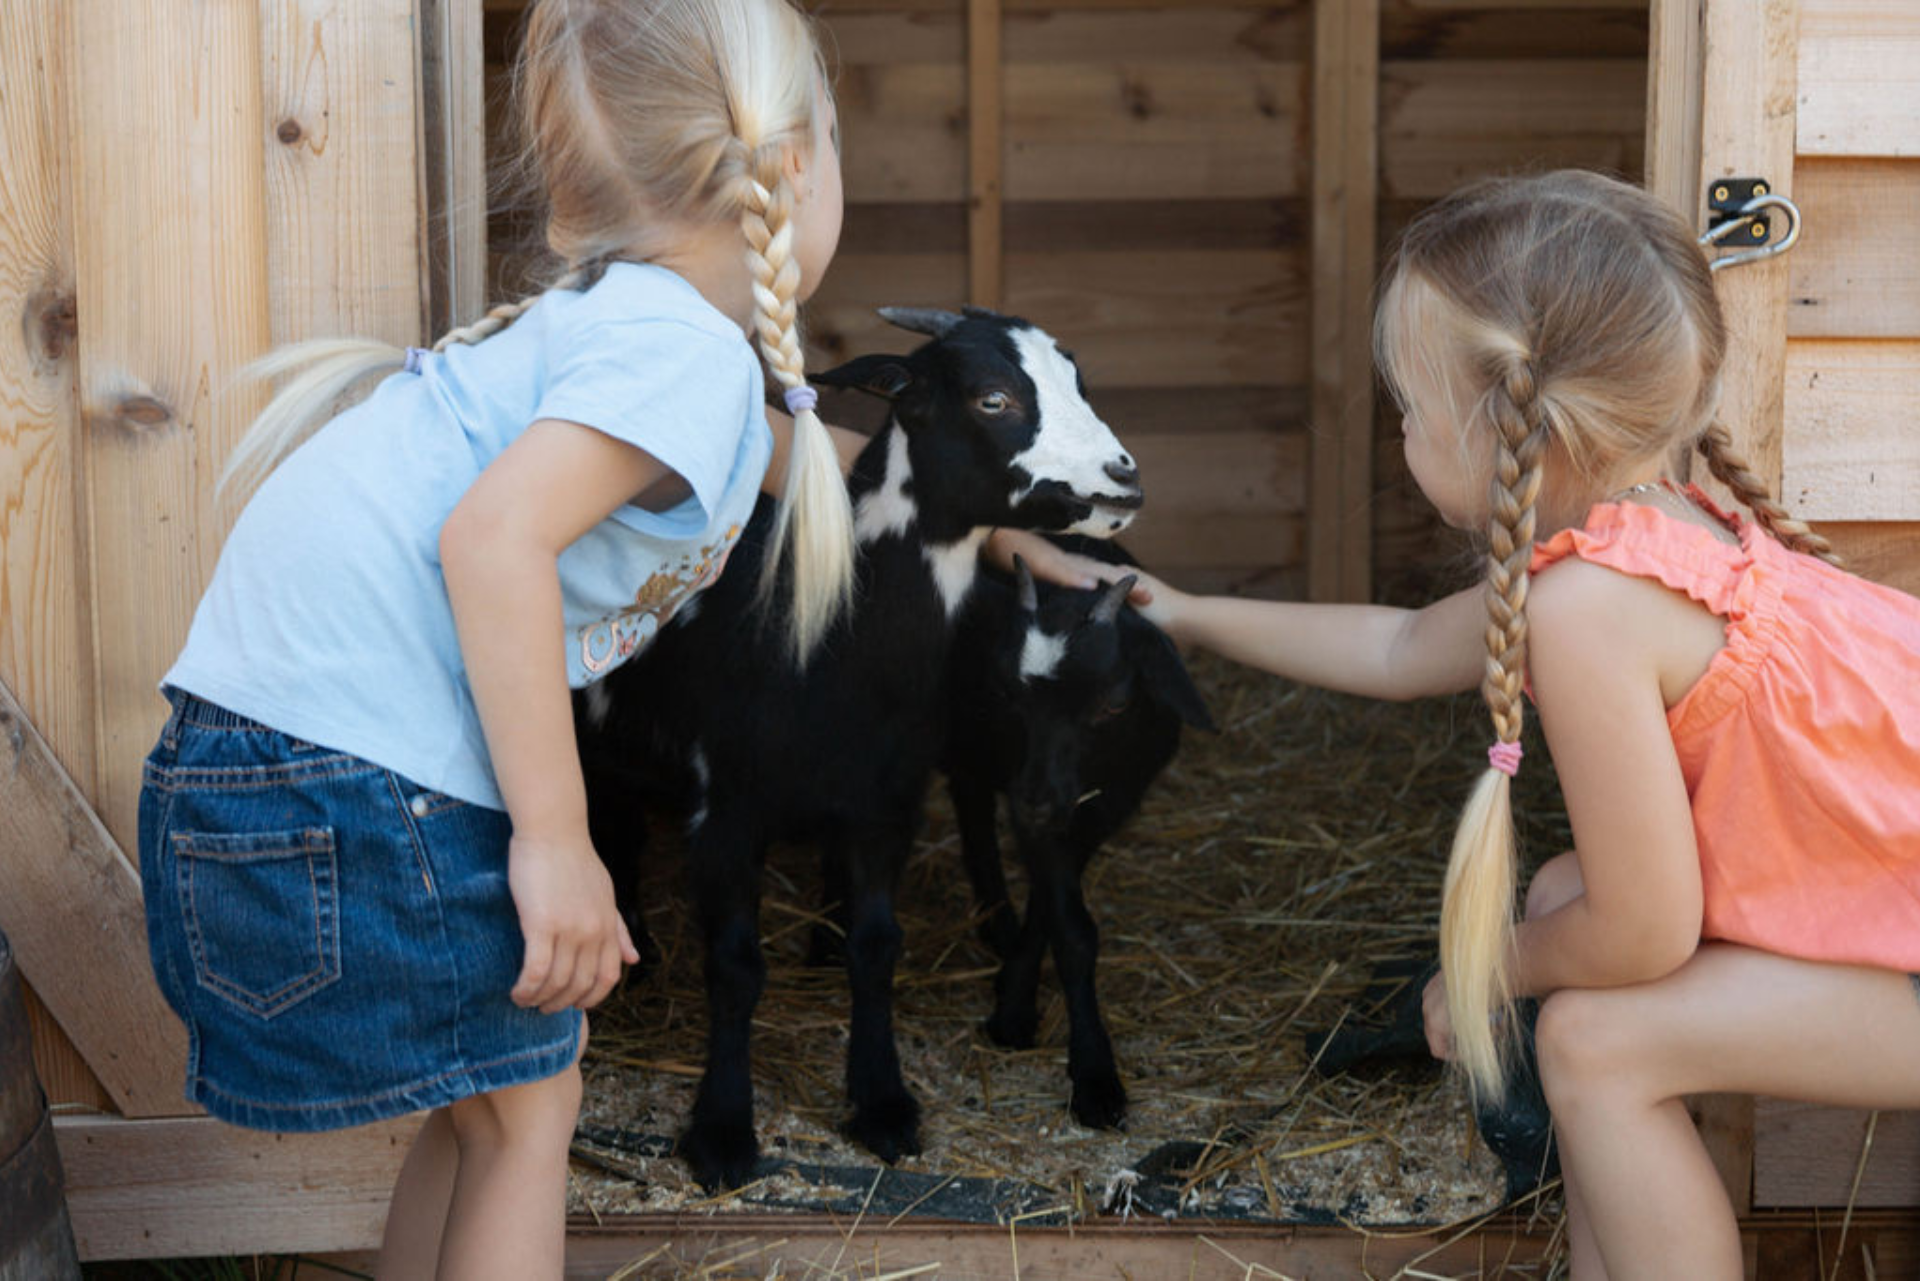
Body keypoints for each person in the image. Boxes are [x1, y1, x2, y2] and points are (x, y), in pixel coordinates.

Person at [136, 2, 885, 1276]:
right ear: (797, 168)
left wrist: (999, 527)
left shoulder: (618, 334)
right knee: (529, 1114)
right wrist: (558, 843)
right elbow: (493, 543)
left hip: (252, 778)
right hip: (349, 791)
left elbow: (805, 466)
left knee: (487, 1103)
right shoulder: (683, 359)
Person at [1128, 169, 1920, 1278]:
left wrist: (1486, 970)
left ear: (1508, 425)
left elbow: (1648, 929)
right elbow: (1402, 650)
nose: (1401, 424)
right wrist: (1190, 615)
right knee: (1561, 900)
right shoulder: (1655, 519)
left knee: (1597, 1039)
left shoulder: (1589, 612)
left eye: (1411, 402)